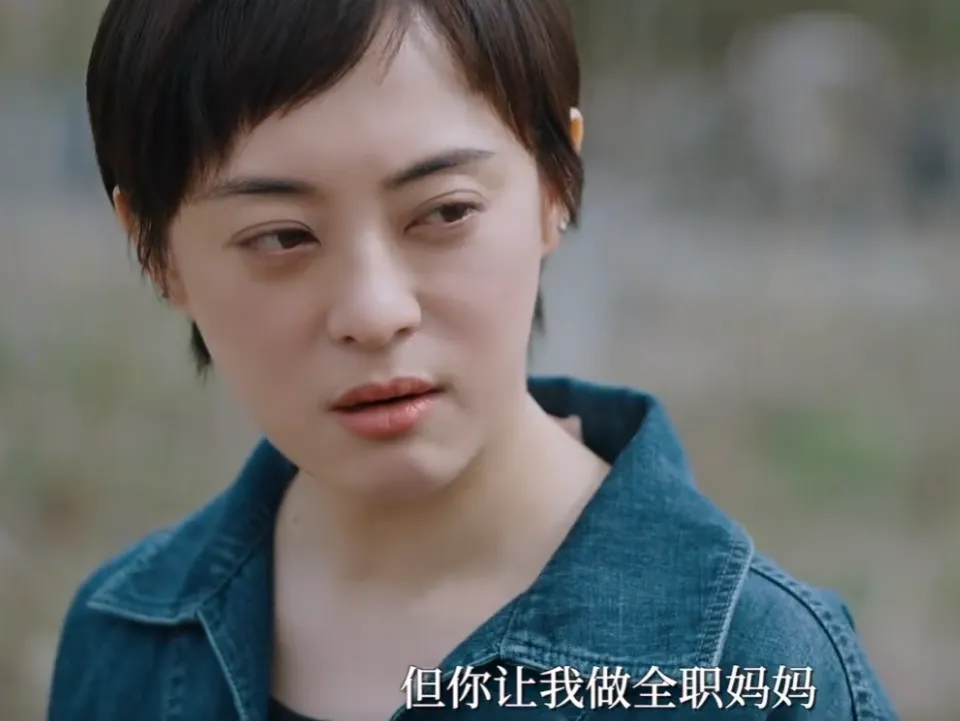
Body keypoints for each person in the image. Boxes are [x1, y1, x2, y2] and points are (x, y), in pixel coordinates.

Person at [48, 1, 898, 719]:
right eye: (281, 236)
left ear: (556, 183)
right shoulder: (125, 641)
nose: (376, 312)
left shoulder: (758, 668)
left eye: (445, 212)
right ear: (156, 250)